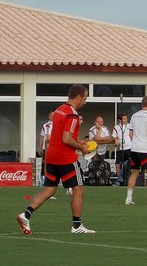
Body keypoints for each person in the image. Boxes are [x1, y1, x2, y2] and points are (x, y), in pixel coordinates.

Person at [15, 84, 95, 235]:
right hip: (65, 157)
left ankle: (25, 214)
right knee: (78, 189)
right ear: (78, 97)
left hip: (51, 155)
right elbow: (66, 139)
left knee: (49, 189)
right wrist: (82, 147)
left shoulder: (59, 110)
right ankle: (77, 226)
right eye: (85, 98)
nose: (85, 102)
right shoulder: (72, 114)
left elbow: (61, 134)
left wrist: (78, 142)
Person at [113, 113, 131, 186]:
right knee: (118, 164)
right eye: (124, 119)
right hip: (120, 148)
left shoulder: (130, 126)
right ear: (120, 120)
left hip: (129, 147)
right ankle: (119, 180)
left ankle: (129, 180)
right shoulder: (116, 127)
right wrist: (115, 139)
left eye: (126, 118)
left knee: (129, 164)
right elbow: (114, 136)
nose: (126, 120)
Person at [37, 112, 54, 185]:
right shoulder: (47, 125)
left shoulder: (59, 124)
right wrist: (40, 148)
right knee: (46, 164)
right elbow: (46, 137)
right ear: (49, 117)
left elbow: (42, 136)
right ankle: (45, 181)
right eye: (52, 115)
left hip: (55, 148)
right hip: (48, 148)